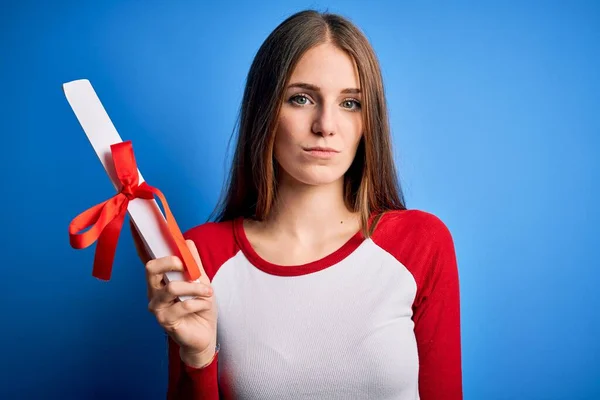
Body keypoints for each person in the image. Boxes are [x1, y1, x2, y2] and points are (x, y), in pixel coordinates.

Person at [131, 9, 462, 400]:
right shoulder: (203, 254)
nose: (326, 124)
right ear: (265, 110)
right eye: (301, 98)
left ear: (369, 120)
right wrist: (199, 356)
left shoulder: (420, 243)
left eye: (350, 103)